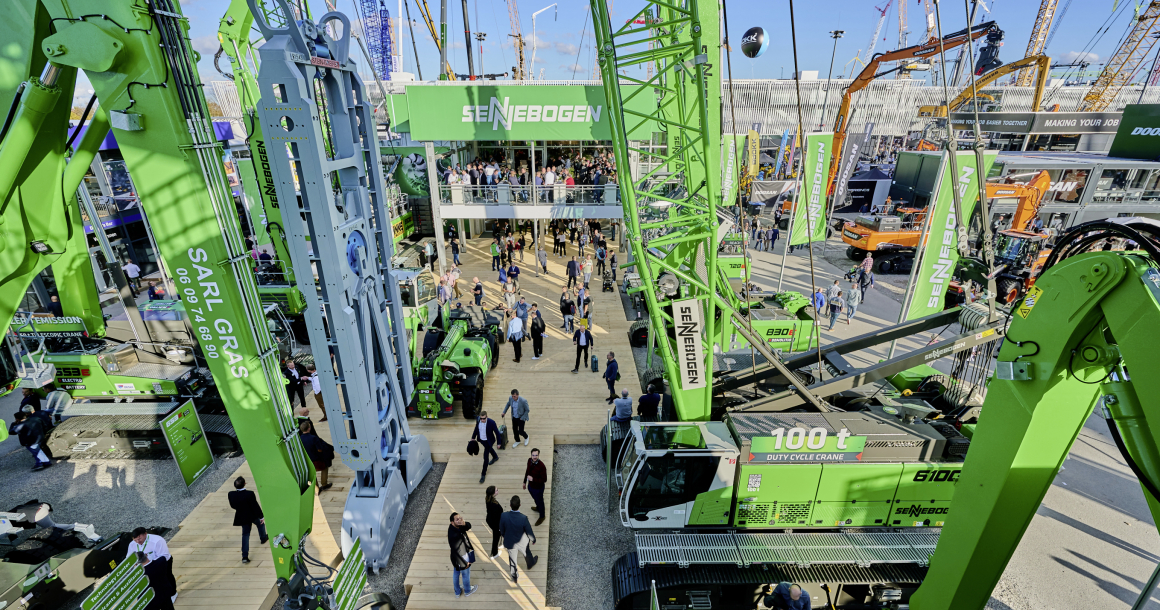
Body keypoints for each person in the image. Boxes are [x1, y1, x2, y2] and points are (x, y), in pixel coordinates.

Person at [126, 527, 178, 604]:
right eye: (135, 539)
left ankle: (173, 593)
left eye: (139, 539)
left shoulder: (157, 540)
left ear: (145, 534)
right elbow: (129, 557)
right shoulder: (132, 544)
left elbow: (165, 556)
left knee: (167, 576)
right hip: (144, 565)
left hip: (159, 563)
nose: (138, 541)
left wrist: (154, 564)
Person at [228, 477, 268, 564]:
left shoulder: (231, 494)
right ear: (245, 484)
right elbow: (255, 506)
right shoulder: (249, 494)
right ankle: (263, 538)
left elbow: (233, 506)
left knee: (245, 535)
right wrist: (261, 516)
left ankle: (244, 556)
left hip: (242, 517)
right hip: (252, 515)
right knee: (261, 524)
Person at [499, 496, 538, 582]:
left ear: (510, 505)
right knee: (526, 552)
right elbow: (529, 531)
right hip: (522, 541)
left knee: (512, 560)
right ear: (520, 505)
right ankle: (530, 564)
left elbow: (501, 528)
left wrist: (504, 535)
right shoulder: (523, 518)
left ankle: (514, 576)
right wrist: (533, 539)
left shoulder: (503, 516)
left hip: (510, 541)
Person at [448, 512, 478, 598]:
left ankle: (457, 592)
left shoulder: (456, 527)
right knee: (465, 574)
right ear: (452, 522)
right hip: (462, 558)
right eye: (457, 519)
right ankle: (467, 590)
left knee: (456, 573)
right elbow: (459, 551)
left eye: (460, 518)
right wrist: (465, 563)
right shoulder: (454, 536)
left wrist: (464, 523)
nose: (459, 520)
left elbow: (469, 526)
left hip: (455, 558)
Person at [299, 421, 334, 490]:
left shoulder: (299, 438)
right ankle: (324, 484)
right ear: (309, 429)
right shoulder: (313, 438)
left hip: (307, 459)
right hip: (316, 459)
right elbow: (319, 449)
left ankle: (316, 486)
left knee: (312, 473)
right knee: (324, 468)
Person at [472, 411, 500, 484]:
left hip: (489, 441)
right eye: (481, 418)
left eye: (484, 418)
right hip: (482, 440)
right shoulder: (478, 420)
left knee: (485, 458)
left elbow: (497, 433)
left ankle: (483, 474)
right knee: (488, 448)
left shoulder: (492, 422)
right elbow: (476, 429)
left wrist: (499, 443)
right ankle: (495, 457)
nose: (482, 420)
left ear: (486, 417)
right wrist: (473, 437)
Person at [523, 448, 548, 525]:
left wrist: (533, 479)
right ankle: (538, 507)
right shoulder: (529, 461)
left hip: (538, 488)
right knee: (535, 499)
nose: (534, 457)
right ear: (531, 455)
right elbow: (527, 471)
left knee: (540, 501)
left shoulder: (541, 466)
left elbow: (544, 479)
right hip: (530, 486)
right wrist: (524, 482)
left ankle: (542, 516)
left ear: (538, 455)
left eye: (536, 455)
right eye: (533, 455)